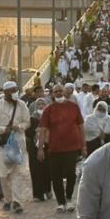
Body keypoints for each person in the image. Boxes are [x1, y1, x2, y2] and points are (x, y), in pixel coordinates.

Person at [38, 83, 85, 212]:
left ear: (64, 92)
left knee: (71, 174)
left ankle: (69, 199)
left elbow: (81, 127)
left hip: (71, 148)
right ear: (53, 93)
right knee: (56, 176)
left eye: (60, 90)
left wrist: (83, 145)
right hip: (54, 148)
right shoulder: (49, 109)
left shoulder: (74, 107)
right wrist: (40, 148)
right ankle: (60, 202)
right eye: (56, 91)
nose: (58, 93)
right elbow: (43, 129)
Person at [0, 81, 31, 214]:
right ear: (5, 92)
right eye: (12, 90)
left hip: (18, 143)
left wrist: (19, 127)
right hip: (3, 144)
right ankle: (7, 199)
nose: (15, 93)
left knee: (17, 173)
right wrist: (3, 129)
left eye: (16, 90)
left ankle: (17, 202)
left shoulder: (21, 104)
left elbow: (27, 121)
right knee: (4, 175)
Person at [26, 98, 51, 202]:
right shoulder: (31, 118)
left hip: (48, 146)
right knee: (36, 170)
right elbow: (27, 131)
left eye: (43, 104)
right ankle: (38, 194)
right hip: (34, 147)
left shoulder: (50, 117)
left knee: (47, 168)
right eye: (39, 104)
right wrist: (36, 132)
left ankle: (47, 190)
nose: (41, 106)